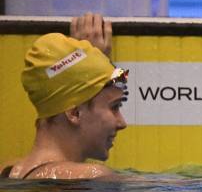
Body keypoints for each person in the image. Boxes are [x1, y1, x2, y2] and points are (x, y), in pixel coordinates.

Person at [1, 13, 128, 180]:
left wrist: (92, 59)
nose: (122, 123)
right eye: (114, 107)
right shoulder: (92, 176)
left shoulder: (7, 172)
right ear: (74, 113)